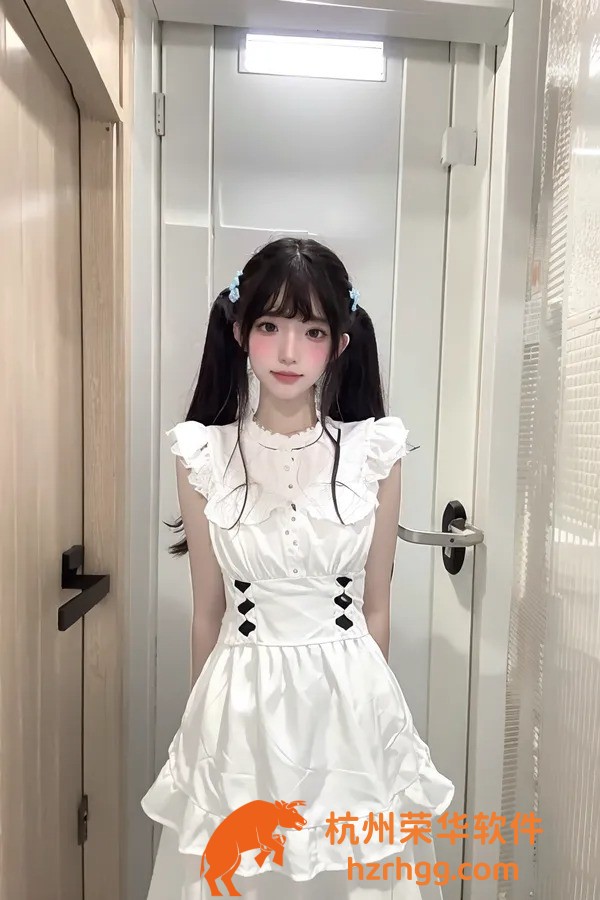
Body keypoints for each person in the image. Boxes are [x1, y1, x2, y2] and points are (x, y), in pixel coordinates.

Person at [141, 237, 455, 899]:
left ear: (340, 344)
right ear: (239, 333)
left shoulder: (374, 450)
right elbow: (207, 610)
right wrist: (201, 726)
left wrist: (367, 718)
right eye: (269, 326)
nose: (289, 352)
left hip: (349, 698)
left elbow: (375, 604)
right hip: (240, 702)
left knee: (352, 870)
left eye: (313, 331)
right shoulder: (202, 454)